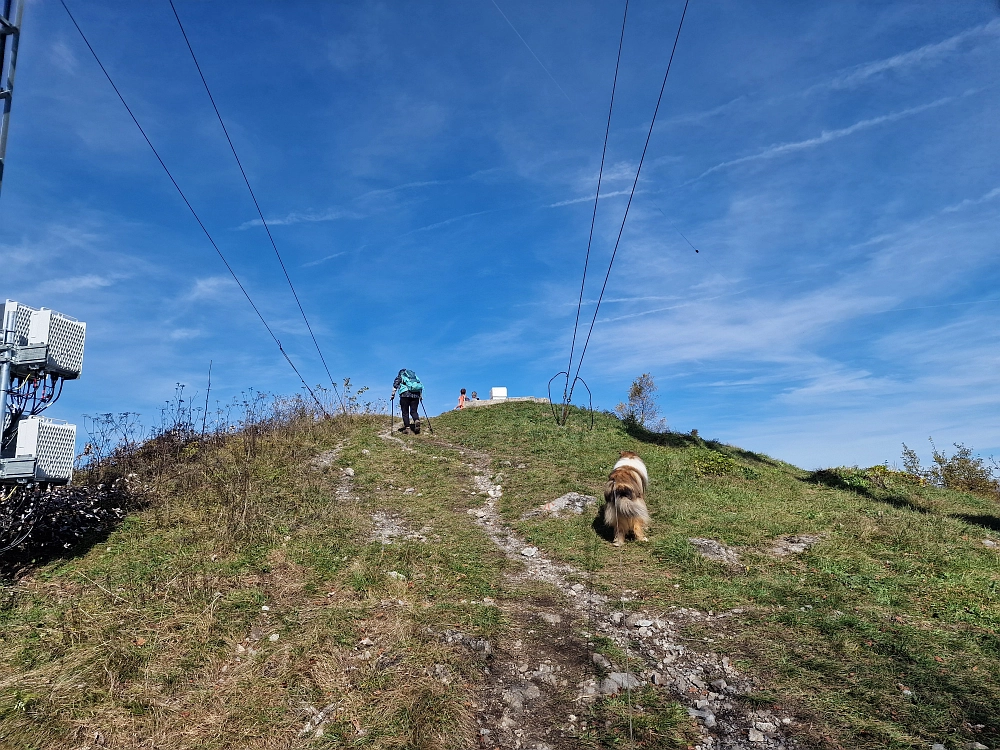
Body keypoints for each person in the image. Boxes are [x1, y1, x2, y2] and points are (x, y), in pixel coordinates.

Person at [391, 368, 423, 434]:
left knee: (405, 412)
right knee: (414, 411)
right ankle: (416, 420)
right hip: (416, 395)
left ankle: (407, 429)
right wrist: (420, 396)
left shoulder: (401, 377)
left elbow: (395, 385)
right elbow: (420, 387)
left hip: (404, 395)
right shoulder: (415, 378)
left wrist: (392, 395)